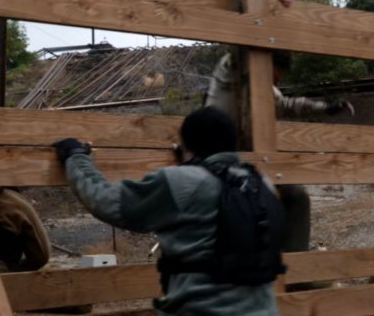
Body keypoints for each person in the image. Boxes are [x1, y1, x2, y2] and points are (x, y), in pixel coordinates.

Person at [53, 107, 279, 315]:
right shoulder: (260, 185)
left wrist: (76, 156)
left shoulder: (183, 181)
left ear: (188, 144)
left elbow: (105, 201)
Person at [205, 50, 353, 257]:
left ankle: (295, 268)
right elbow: (241, 42)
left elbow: (287, 104)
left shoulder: (265, 90)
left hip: (250, 162)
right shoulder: (231, 69)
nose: (274, 83)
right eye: (274, 77)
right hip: (218, 161)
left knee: (297, 196)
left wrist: (326, 108)